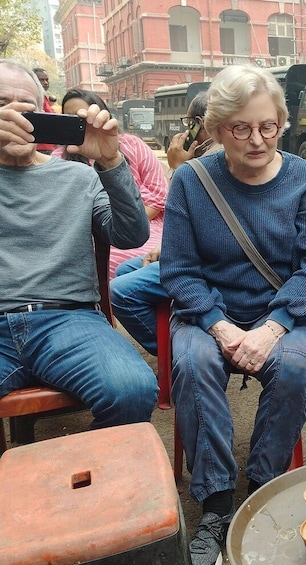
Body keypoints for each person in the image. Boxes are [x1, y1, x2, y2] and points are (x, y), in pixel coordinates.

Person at [159, 64, 306, 565]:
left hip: (286, 310)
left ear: (281, 122)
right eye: (241, 128)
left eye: (268, 126)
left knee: (295, 367)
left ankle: (262, 486)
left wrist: (272, 327)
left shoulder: (304, 181)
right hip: (208, 310)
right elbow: (178, 269)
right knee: (194, 363)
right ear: (217, 129)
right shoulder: (192, 181)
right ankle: (216, 500)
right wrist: (218, 323)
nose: (257, 140)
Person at [0, 59, 158, 431]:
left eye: (26, 108)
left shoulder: (76, 176)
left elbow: (131, 235)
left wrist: (111, 161)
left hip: (68, 320)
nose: (16, 118)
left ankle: (77, 476)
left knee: (132, 390)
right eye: (3, 106)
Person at [110, 91, 219, 355]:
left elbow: (195, 216)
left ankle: (179, 357)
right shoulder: (200, 156)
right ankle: (178, 343)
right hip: (192, 250)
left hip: (209, 261)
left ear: (198, 123)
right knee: (125, 270)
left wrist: (179, 168)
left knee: (121, 291)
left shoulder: (214, 157)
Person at [57, 88, 168, 278]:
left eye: (83, 119)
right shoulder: (59, 159)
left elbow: (157, 194)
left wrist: (130, 219)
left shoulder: (132, 145)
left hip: (145, 228)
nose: (79, 125)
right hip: (93, 237)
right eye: (70, 118)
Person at [32, 67, 57, 154]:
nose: (45, 83)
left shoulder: (44, 98)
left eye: (46, 80)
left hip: (51, 146)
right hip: (40, 148)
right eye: (41, 80)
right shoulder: (33, 98)